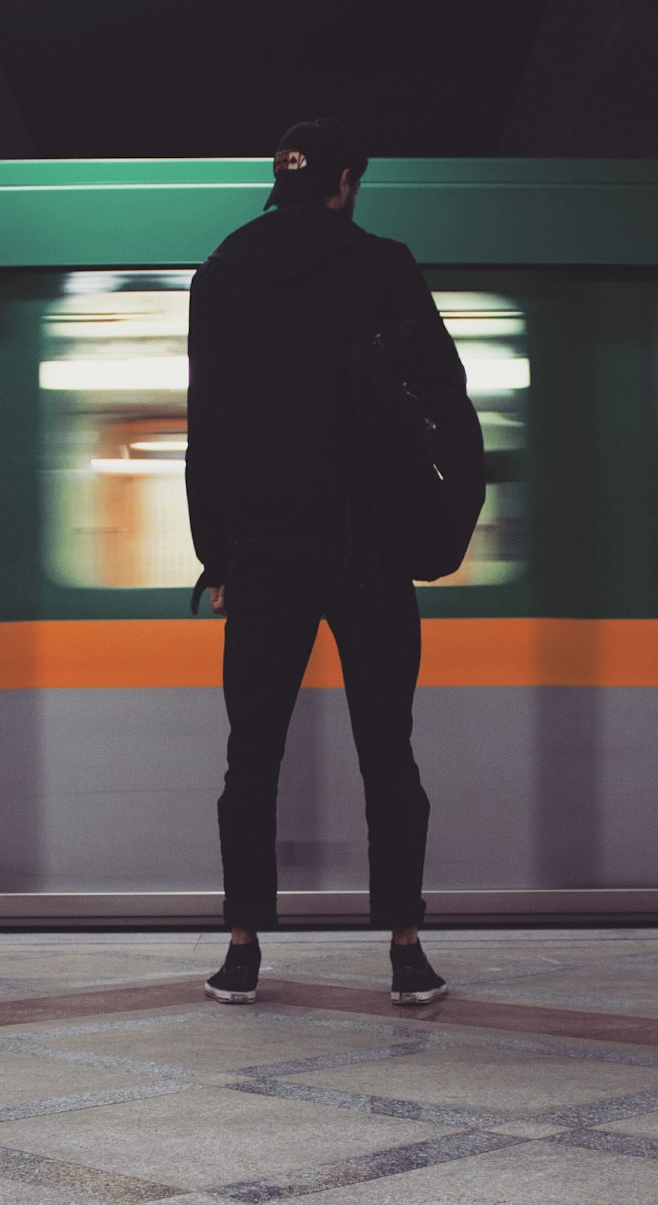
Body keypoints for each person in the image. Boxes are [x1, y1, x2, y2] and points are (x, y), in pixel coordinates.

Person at [186, 118, 477, 1006]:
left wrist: (218, 555)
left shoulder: (220, 274)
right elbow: (448, 400)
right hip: (368, 548)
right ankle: (404, 949)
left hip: (264, 553)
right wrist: (441, 527)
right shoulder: (384, 265)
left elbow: (206, 428)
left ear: (279, 181)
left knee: (251, 758)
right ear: (345, 182)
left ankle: (242, 950)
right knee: (388, 752)